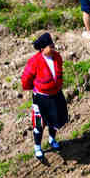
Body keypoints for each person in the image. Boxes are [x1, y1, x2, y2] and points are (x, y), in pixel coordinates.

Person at [21, 31, 69, 160]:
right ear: (43, 48)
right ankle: (37, 147)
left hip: (56, 95)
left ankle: (52, 139)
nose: (53, 48)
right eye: (50, 46)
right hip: (41, 98)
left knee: (55, 120)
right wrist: (36, 88)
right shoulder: (34, 62)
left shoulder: (57, 57)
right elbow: (26, 79)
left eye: (53, 45)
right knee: (39, 124)